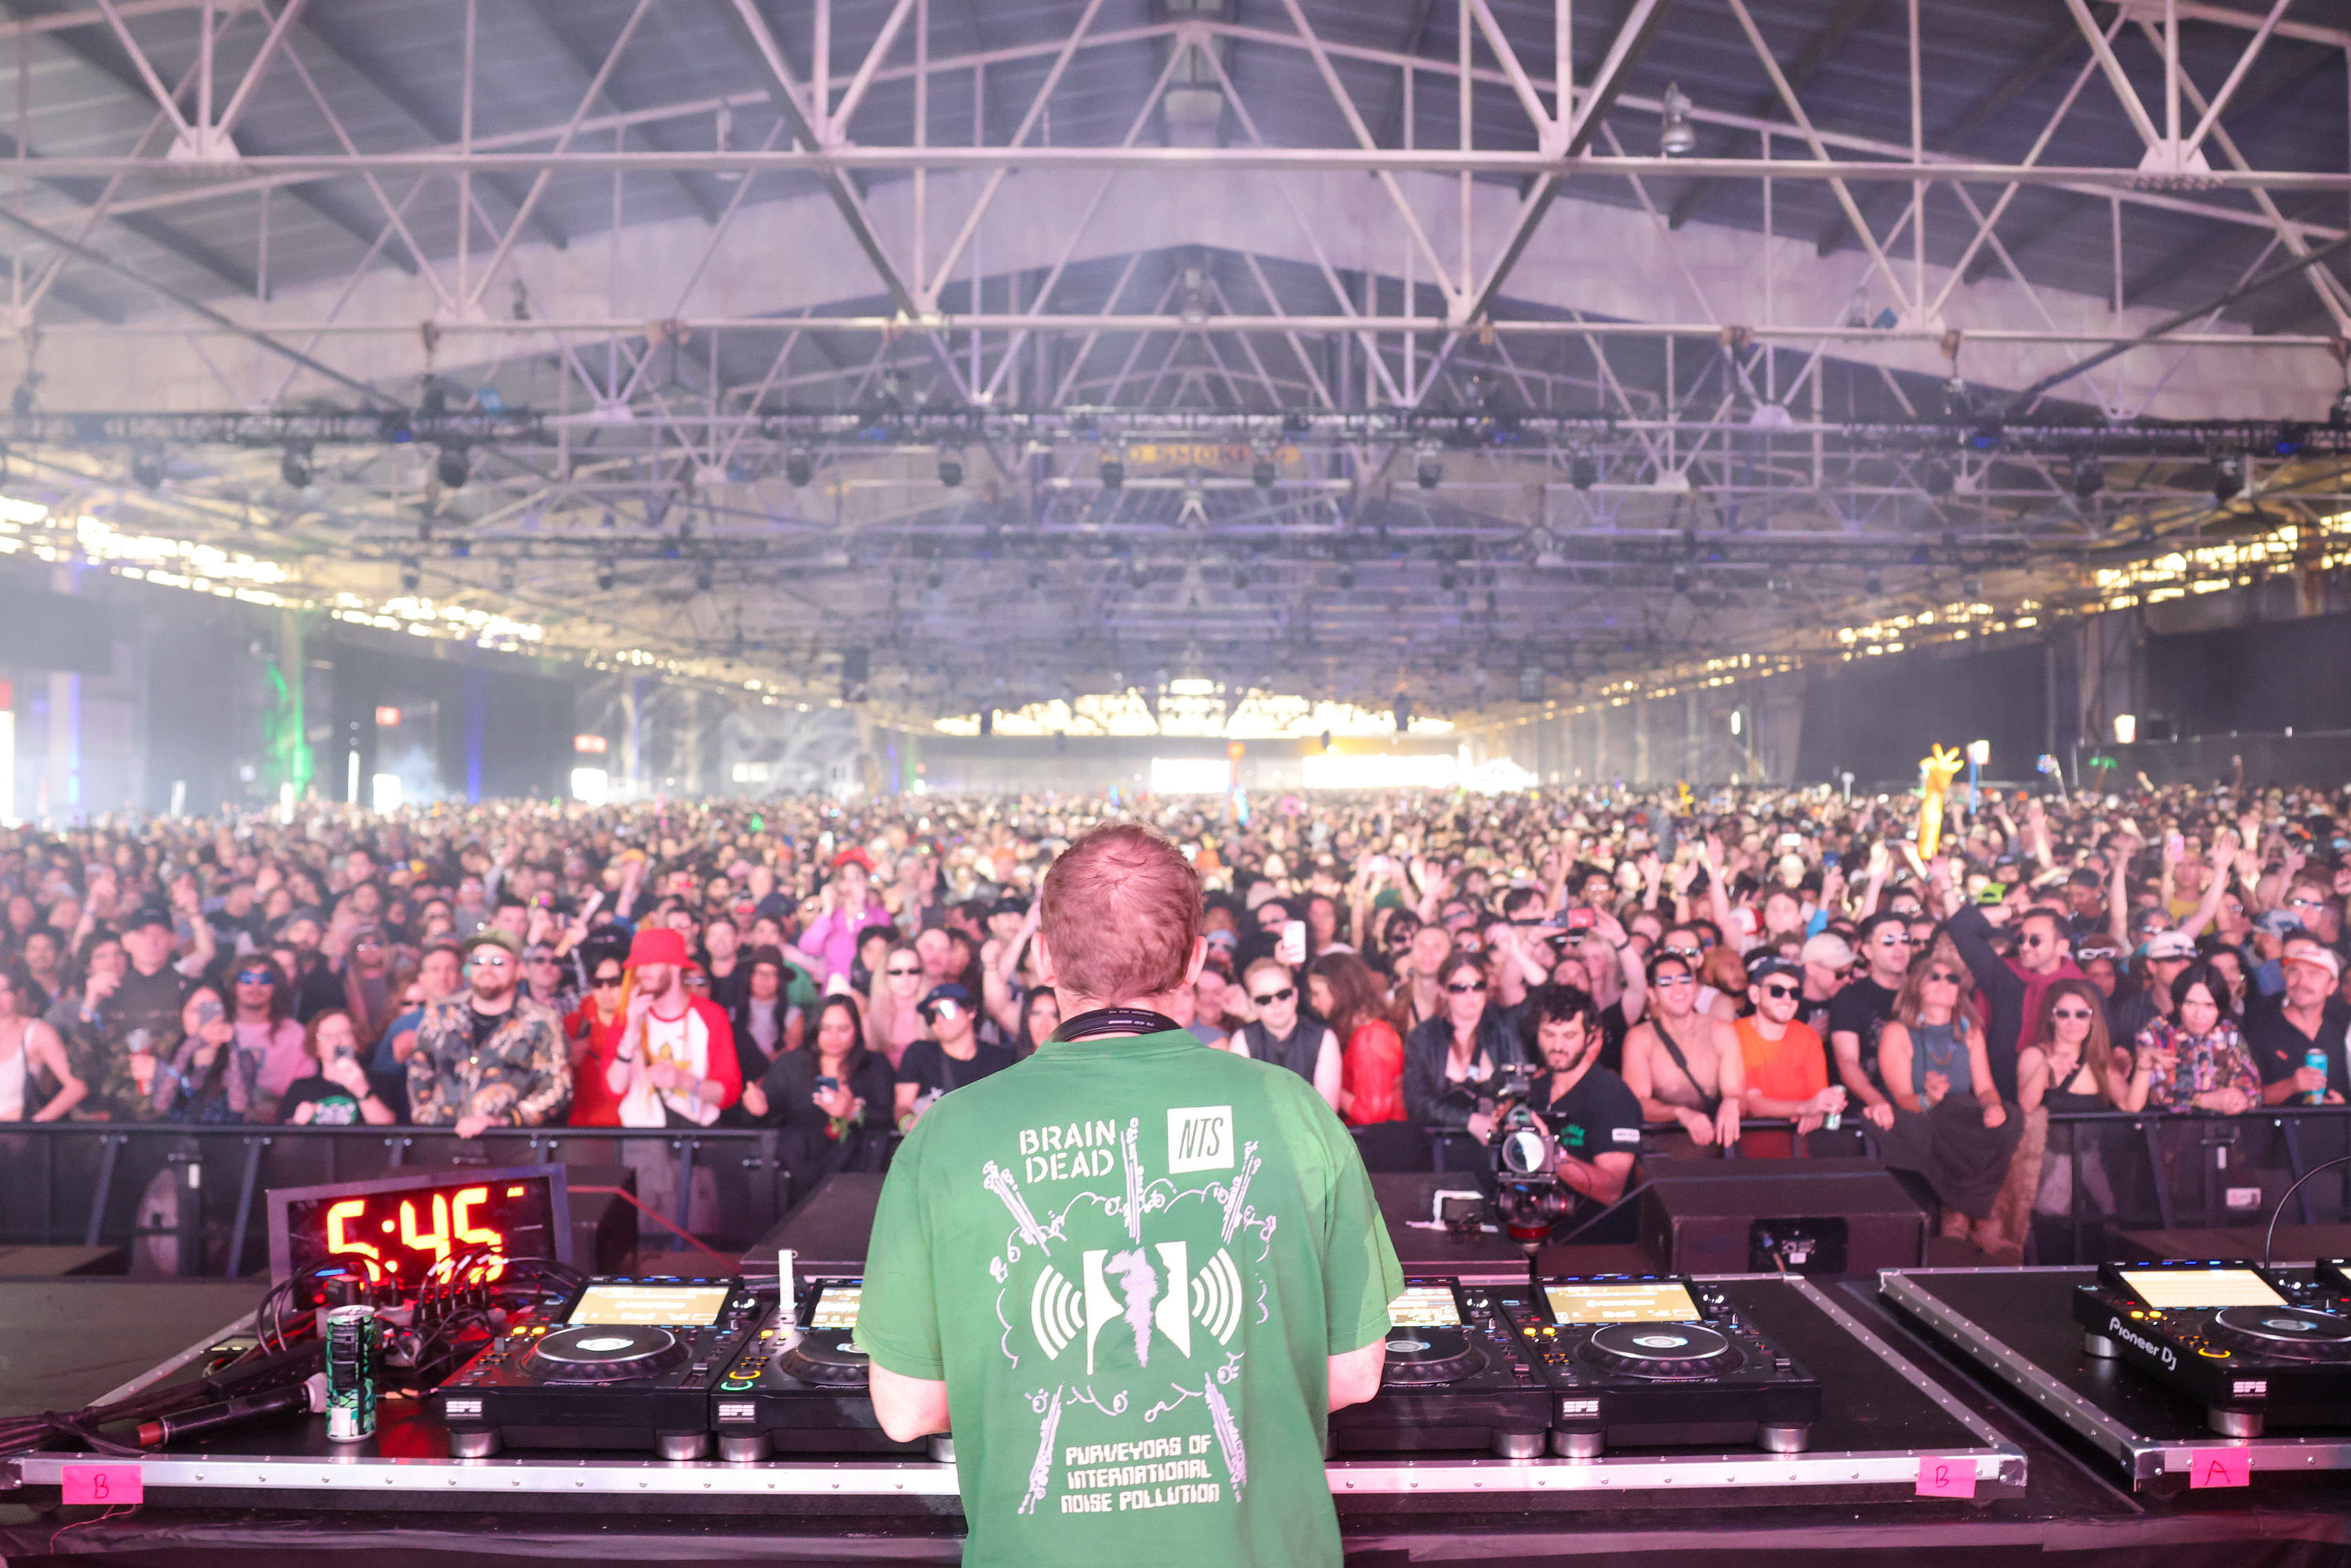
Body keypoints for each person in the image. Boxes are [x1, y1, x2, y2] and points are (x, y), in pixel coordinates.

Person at [859, 821, 1400, 1566]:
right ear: (1198, 958)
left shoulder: (945, 1136)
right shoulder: (1297, 1111)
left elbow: (907, 1406)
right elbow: (1353, 1371)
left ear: (1044, 956)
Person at [1871, 951, 2021, 1252]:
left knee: (2011, 1116)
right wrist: (1930, 1098)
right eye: (1934, 977)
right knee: (1949, 1118)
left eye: (1952, 978)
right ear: (1916, 986)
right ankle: (1960, 1219)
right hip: (1921, 1114)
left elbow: (1985, 1088)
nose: (1944, 983)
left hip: (1961, 1115)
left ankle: (1978, 1220)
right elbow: (1903, 1098)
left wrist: (1993, 1107)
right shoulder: (1897, 1032)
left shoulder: (1970, 1030)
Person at [407, 928, 573, 1135]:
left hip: (509, 1148)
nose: (486, 969)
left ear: (519, 969)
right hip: (442, 1143)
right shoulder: (440, 1014)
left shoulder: (541, 1022)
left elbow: (556, 1087)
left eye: (498, 962)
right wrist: (430, 1122)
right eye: (477, 961)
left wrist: (505, 1121)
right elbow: (419, 1071)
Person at [741, 993, 893, 1184]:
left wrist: (851, 1113)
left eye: (843, 1029)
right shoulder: (790, 1064)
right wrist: (757, 1111)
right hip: (796, 1174)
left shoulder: (875, 1065)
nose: (834, 1037)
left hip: (858, 1173)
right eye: (826, 1028)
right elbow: (761, 1119)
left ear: (857, 1030)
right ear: (815, 1029)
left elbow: (887, 1116)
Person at [606, 925, 743, 1128]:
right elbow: (614, 1090)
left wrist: (685, 1081)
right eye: (638, 965)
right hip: (639, 1140)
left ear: (675, 966)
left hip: (696, 1139)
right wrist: (631, 1033)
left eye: (650, 964)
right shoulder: (628, 1014)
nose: (641, 972)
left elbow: (728, 1093)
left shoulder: (710, 1015)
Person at [1523, 983, 1641, 1208]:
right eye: (1548, 1034)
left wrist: (1549, 1154)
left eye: (1569, 1035)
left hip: (1595, 1237)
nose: (1557, 1046)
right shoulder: (1533, 1089)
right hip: (1538, 1228)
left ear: (1591, 1037)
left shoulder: (1613, 1096)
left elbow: (1612, 1190)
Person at [1619, 949, 1743, 1150]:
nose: (1678, 988)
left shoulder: (1721, 1031)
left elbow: (1736, 1092)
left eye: (1684, 980)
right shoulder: (1640, 1038)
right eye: (1666, 982)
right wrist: (1680, 1113)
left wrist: (1732, 1102)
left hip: (1716, 1152)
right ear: (1652, 994)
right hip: (1661, 1153)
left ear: (1695, 986)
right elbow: (1636, 1102)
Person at [1402, 951, 1526, 1150]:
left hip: (1501, 1146)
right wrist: (1469, 1121)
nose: (1471, 994)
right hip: (1441, 1150)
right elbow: (1417, 1103)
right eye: (1459, 988)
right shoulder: (1424, 1036)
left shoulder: (1505, 1027)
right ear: (1443, 991)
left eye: (1478, 986)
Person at [1733, 954, 1843, 1157]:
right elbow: (1751, 1103)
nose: (1787, 999)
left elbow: (1817, 1101)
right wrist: (1805, 1108)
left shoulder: (1808, 1037)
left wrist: (1817, 1109)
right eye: (1777, 991)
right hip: (1745, 1162)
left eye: (1794, 993)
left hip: (1798, 1160)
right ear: (1755, 995)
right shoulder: (1734, 1035)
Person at [2118, 961, 2259, 1115]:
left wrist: (2238, 1100)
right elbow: (2157, 1094)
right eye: (2191, 1004)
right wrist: (2205, 1100)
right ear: (2178, 1004)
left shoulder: (2229, 1034)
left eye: (2209, 1005)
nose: (2199, 1015)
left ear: (2220, 1008)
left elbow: (2253, 1089)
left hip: (2226, 1130)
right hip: (2169, 1131)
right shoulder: (2156, 1034)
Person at [893, 983, 1013, 1131]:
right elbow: (902, 1106)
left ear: (971, 1011)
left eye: (946, 1010)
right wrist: (910, 1125)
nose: (938, 1019)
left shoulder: (1000, 1058)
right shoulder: (919, 1053)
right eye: (931, 1016)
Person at [2248, 934, 2351, 1105]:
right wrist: (2291, 1085)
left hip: (2329, 1130)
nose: (2302, 982)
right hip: (2277, 1130)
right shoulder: (2259, 1027)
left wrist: (2343, 1106)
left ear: (2332, 987)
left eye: (2314, 975)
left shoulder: (2340, 1032)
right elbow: (2242, 1097)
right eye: (2295, 972)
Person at [1231, 958, 1342, 1111]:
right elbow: (1241, 1106)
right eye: (1264, 1000)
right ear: (1252, 1005)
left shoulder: (1323, 1037)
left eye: (1283, 994)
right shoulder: (1242, 1039)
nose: (1276, 1005)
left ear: (1295, 995)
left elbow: (1328, 1112)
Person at [1308, 951, 1404, 1126]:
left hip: (1379, 1145)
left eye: (1317, 993)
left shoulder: (1371, 1036)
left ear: (1338, 991)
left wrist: (1330, 1086)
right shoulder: (1358, 1032)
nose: (1313, 1003)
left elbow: (1372, 1115)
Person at [278, 1010, 397, 1126]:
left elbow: (389, 1134)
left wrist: (363, 1091)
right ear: (316, 1047)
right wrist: (297, 1124)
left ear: (356, 1042)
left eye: (343, 1034)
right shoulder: (300, 1088)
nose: (336, 1042)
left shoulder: (380, 1082)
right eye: (325, 1037)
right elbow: (283, 1142)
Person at [226, 955, 308, 1121]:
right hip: (224, 1124)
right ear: (234, 985)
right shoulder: (219, 1031)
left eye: (265, 979)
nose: (255, 986)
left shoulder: (295, 1033)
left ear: (275, 986)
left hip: (278, 1123)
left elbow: (305, 1089)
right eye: (247, 979)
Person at [0, 958, 83, 1122]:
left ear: (19, 993)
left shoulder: (36, 1032)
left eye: (3, 991)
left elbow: (76, 1086)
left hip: (14, 1141)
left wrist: (36, 1123)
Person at [564, 947, 630, 1127]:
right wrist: (568, 1062)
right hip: (583, 1131)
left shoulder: (640, 1024)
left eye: (614, 982)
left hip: (633, 1131)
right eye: (598, 982)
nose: (606, 990)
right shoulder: (573, 1024)